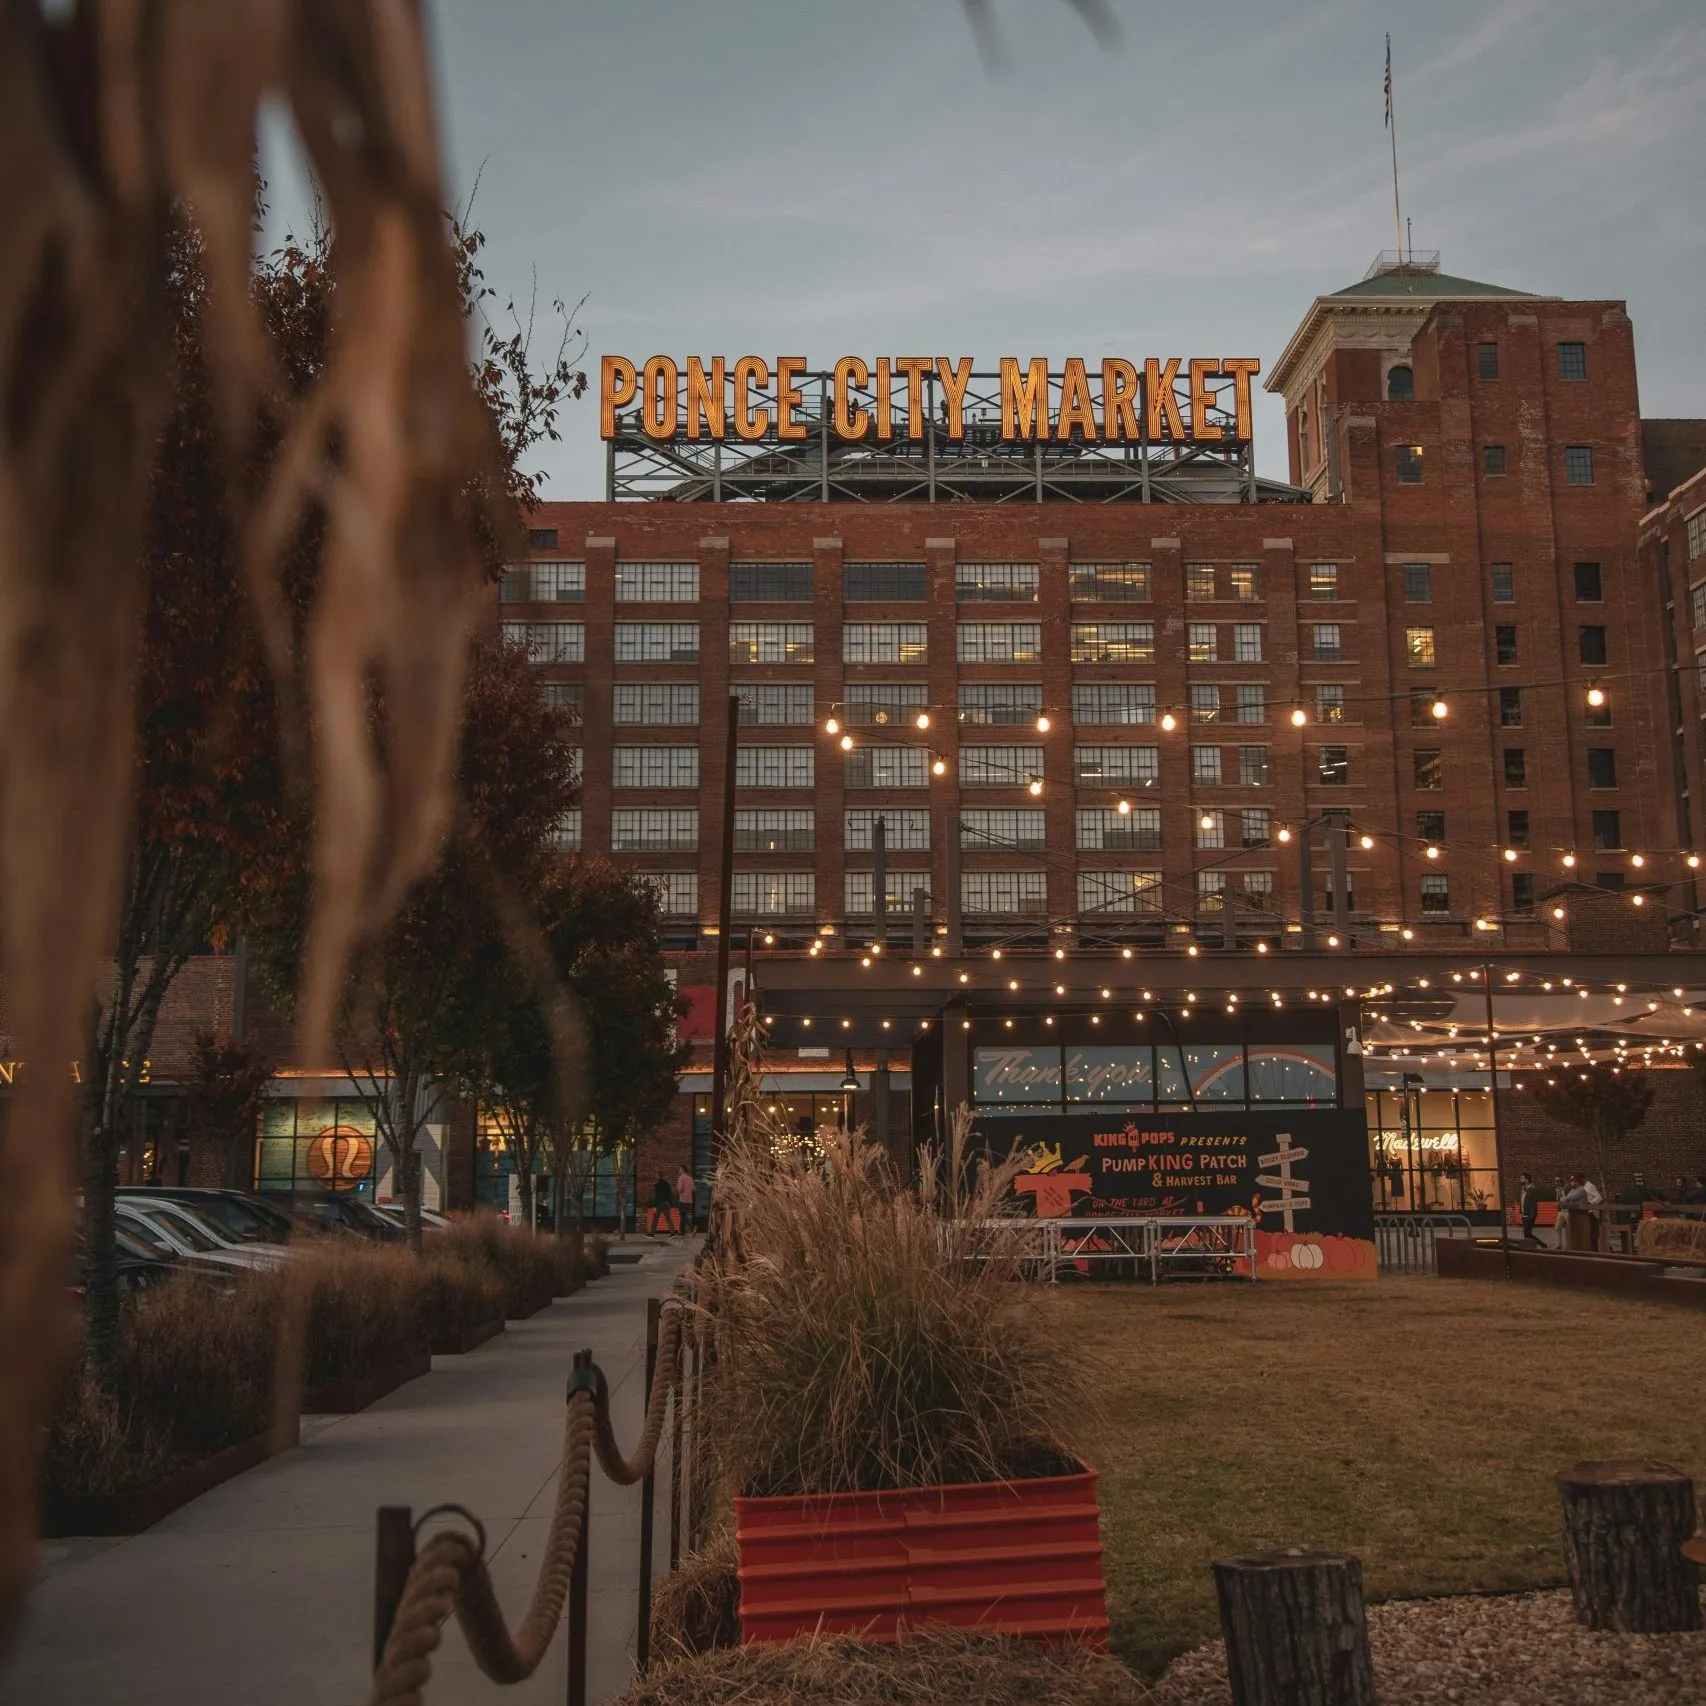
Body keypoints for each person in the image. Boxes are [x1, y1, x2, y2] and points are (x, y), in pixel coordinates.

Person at [1517, 1172, 1541, 1244]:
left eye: (1522, 1178)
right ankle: (1541, 1245)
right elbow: (1522, 1201)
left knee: (1527, 1234)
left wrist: (1531, 1217)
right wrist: (1521, 1211)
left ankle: (1539, 1245)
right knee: (1527, 1234)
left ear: (1527, 1180)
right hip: (1524, 1215)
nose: (1520, 1180)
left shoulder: (1531, 1190)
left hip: (1529, 1216)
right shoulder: (1523, 1189)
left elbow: (1533, 1204)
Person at [675, 1164, 696, 1235]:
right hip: (689, 1200)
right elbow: (693, 1189)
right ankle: (682, 1232)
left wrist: (677, 1186)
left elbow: (680, 1189)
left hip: (683, 1200)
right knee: (683, 1215)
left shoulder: (681, 1178)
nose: (679, 1171)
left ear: (683, 1170)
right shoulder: (690, 1178)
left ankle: (692, 1228)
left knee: (683, 1215)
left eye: (680, 1169)